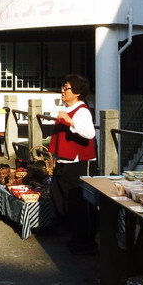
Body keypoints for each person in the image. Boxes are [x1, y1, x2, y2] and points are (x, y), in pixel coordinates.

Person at [48, 74, 98, 255]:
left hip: (79, 163)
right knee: (59, 198)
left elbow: (89, 133)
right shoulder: (67, 109)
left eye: (66, 87)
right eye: (63, 86)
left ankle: (84, 241)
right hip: (64, 161)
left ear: (76, 92)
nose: (62, 90)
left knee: (78, 204)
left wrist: (70, 122)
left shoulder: (82, 111)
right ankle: (72, 234)